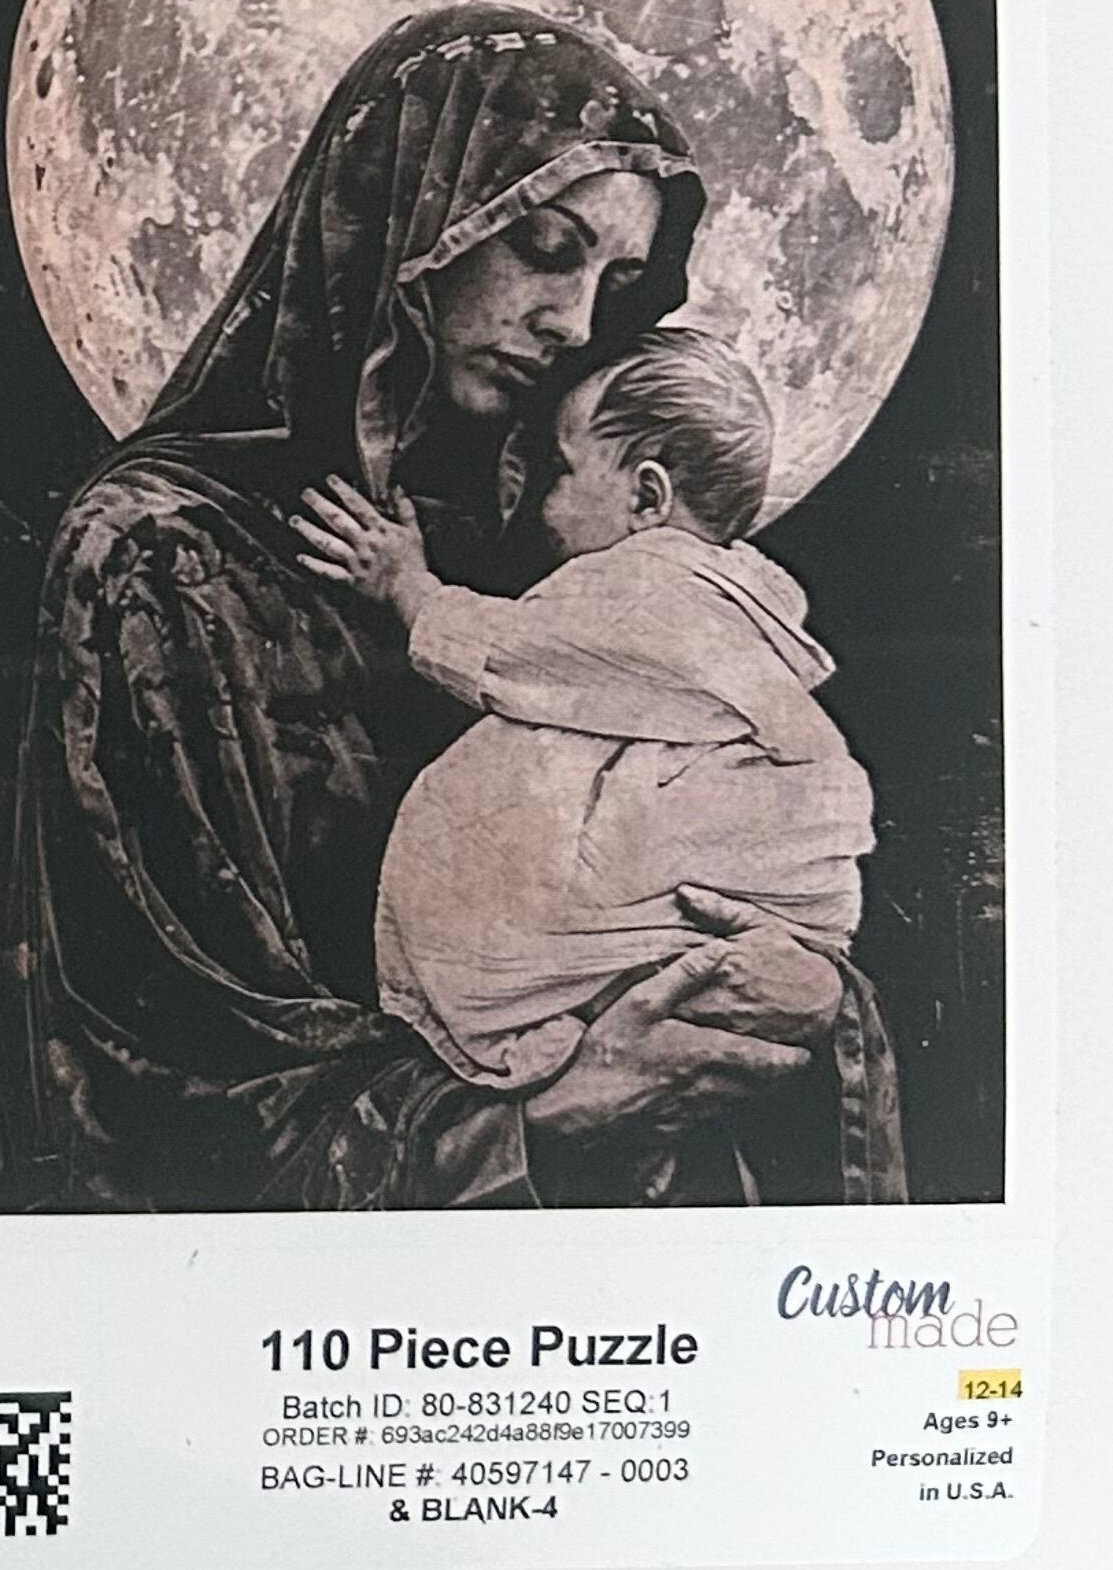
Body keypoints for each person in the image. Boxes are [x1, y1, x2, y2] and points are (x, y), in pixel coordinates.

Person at [0, 4, 852, 1214]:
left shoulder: (564, 557)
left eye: (618, 283)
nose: (576, 323)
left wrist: (782, 994)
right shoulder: (157, 557)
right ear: (408, 221)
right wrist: (540, 1121)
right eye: (546, 248)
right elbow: (145, 1067)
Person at [291, 328, 876, 1107]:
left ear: (647, 498)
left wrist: (406, 583)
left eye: (564, 470)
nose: (544, 498)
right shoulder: (747, 595)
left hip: (736, 881)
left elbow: (512, 651)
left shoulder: (649, 584)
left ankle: (531, 1026)